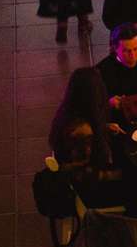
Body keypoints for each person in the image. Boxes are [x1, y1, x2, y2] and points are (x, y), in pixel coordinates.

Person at [49, 67, 124, 209]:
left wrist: (103, 128)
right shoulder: (81, 132)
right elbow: (85, 175)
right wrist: (123, 174)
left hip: (80, 185)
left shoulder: (68, 114)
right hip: (89, 195)